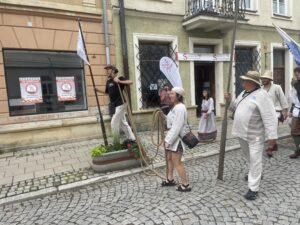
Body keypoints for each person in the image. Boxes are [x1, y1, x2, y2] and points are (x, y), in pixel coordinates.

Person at [224, 71, 278, 200]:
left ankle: (253, 188)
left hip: (255, 135)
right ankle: (256, 173)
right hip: (241, 133)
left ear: (252, 82)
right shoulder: (243, 93)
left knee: (255, 159)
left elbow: (270, 117)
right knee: (249, 157)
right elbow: (234, 108)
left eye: (245, 80)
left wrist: (272, 137)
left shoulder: (262, 96)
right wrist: (229, 100)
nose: (242, 82)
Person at [161, 87, 191, 192]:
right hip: (172, 136)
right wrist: (164, 116)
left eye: (172, 94)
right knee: (169, 158)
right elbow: (172, 121)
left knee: (177, 161)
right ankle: (170, 179)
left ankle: (185, 184)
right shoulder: (175, 107)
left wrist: (168, 141)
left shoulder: (180, 108)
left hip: (177, 139)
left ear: (178, 96)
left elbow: (177, 127)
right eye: (170, 94)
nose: (170, 95)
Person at [96, 64, 135, 144]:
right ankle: (132, 138)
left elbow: (131, 82)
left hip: (121, 103)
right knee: (122, 123)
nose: (106, 71)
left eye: (108, 69)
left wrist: (120, 81)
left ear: (113, 70)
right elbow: (107, 93)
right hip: (114, 105)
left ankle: (116, 143)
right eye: (106, 69)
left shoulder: (120, 78)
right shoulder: (108, 82)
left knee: (114, 122)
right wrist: (98, 91)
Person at [260, 70, 289, 157]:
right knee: (266, 129)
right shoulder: (260, 89)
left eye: (266, 78)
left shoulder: (276, 87)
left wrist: (285, 110)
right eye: (263, 78)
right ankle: (274, 144)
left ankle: (270, 147)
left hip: (275, 111)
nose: (264, 80)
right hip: (264, 112)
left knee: (271, 128)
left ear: (269, 79)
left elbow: (282, 99)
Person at [289, 67, 300, 159]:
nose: (298, 76)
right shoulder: (296, 85)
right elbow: (294, 99)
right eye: (296, 75)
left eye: (299, 74)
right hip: (297, 111)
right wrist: (291, 111)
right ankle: (298, 149)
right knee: (294, 131)